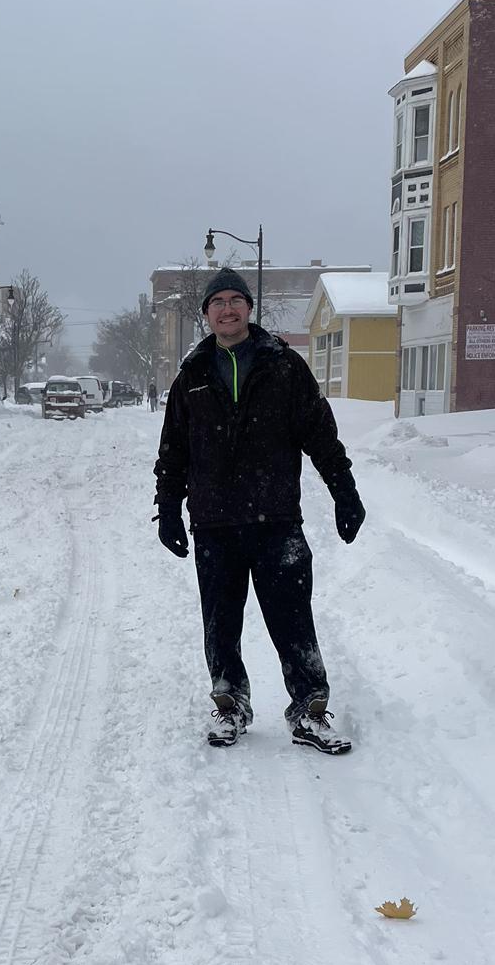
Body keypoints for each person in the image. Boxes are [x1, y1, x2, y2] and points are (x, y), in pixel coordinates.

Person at [153, 266, 365, 752]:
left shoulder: (284, 366)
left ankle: (309, 710)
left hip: (277, 523)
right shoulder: (191, 377)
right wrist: (168, 511)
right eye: (217, 302)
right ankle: (230, 705)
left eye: (235, 300)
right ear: (206, 314)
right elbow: (173, 454)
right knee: (221, 623)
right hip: (215, 525)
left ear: (249, 307)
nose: (227, 309)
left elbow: (321, 436)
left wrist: (344, 491)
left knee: (293, 621)